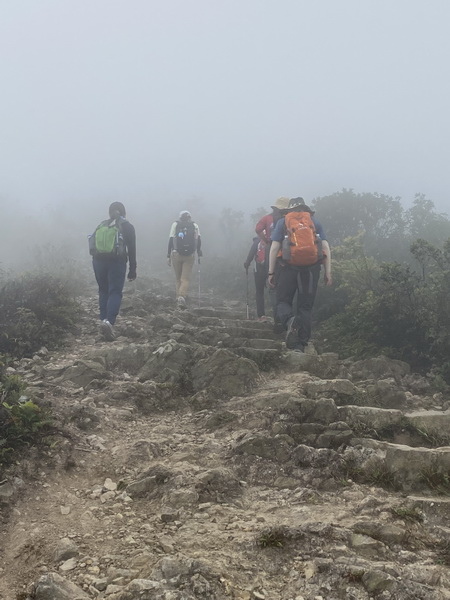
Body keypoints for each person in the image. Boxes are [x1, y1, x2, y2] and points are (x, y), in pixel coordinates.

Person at [268, 197, 332, 352]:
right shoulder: (314, 222)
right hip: (311, 270)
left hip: (287, 268)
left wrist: (271, 272)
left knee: (283, 301)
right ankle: (301, 345)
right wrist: (328, 272)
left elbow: (274, 247)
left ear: (289, 210)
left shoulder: (283, 222)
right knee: (305, 307)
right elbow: (325, 246)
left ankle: (290, 320)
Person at [90, 201, 137, 340]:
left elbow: (92, 244)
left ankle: (103, 320)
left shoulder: (102, 224)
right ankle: (109, 322)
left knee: (103, 290)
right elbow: (132, 249)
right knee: (115, 291)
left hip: (98, 261)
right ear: (123, 212)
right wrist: (133, 269)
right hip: (116, 262)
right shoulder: (127, 226)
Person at [255, 197, 290, 328]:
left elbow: (258, 229)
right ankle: (286, 319)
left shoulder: (267, 218)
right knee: (285, 288)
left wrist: (266, 240)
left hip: (272, 250)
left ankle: (278, 320)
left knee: (273, 286)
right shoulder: (291, 219)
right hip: (287, 253)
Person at [167, 211, 202, 308]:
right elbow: (198, 240)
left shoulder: (175, 224)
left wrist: (168, 255)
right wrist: (198, 252)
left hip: (176, 254)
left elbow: (171, 240)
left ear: (180, 217)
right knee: (185, 279)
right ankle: (181, 297)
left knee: (178, 278)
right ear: (189, 217)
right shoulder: (195, 225)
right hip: (190, 255)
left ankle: (179, 297)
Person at [244, 237, 269, 321]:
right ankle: (279, 319)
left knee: (259, 292)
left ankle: (261, 315)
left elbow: (251, 253)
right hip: (272, 268)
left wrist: (247, 263)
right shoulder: (272, 238)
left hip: (259, 269)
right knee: (275, 292)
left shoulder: (257, 241)